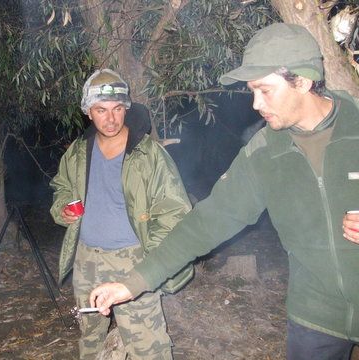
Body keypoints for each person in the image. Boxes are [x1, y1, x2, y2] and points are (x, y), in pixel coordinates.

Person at [89, 23, 359, 360]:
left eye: (266, 90)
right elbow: (207, 222)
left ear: (302, 81)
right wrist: (133, 282)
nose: (256, 104)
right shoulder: (265, 151)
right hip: (315, 317)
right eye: (252, 91)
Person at [49, 68, 193, 359]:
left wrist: (153, 259)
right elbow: (61, 187)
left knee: (148, 345)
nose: (111, 119)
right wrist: (63, 208)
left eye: (117, 109)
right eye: (101, 110)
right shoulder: (78, 152)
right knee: (89, 336)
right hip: (87, 257)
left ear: (126, 108)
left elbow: (175, 212)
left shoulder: (148, 154)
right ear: (88, 112)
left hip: (133, 259)